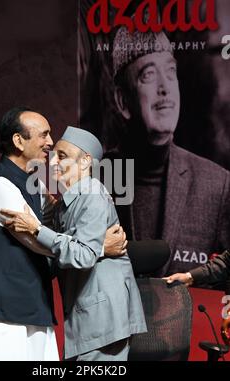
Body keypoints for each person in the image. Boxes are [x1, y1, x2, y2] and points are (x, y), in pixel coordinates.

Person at [0, 107, 126, 361]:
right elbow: (37, 241)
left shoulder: (37, 186)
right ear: (18, 141)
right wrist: (98, 246)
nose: (49, 142)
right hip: (2, 311)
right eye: (44, 135)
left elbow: (56, 228)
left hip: (34, 306)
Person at [0, 126, 147, 361]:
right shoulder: (64, 205)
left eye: (63, 156)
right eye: (53, 155)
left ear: (86, 161)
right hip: (86, 319)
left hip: (104, 320)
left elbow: (83, 255)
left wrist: (36, 229)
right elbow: (58, 255)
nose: (53, 162)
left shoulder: (92, 194)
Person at [108, 26, 230, 279]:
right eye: (149, 75)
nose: (164, 88)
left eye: (171, 72)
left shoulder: (215, 183)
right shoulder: (101, 175)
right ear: (122, 100)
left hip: (188, 315)